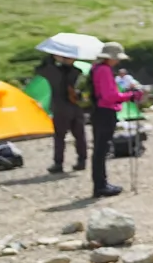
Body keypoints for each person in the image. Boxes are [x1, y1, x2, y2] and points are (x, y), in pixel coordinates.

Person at [88, 42, 143, 198]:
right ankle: (101, 186)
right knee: (101, 149)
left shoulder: (95, 68)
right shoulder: (104, 70)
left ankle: (101, 184)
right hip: (105, 111)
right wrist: (131, 96)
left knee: (99, 149)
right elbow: (110, 96)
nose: (118, 61)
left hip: (97, 110)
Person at [34, 53, 87, 175]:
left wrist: (51, 57)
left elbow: (39, 70)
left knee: (59, 137)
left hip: (60, 108)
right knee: (80, 135)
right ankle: (82, 160)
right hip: (77, 107)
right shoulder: (78, 72)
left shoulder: (53, 71)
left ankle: (58, 164)